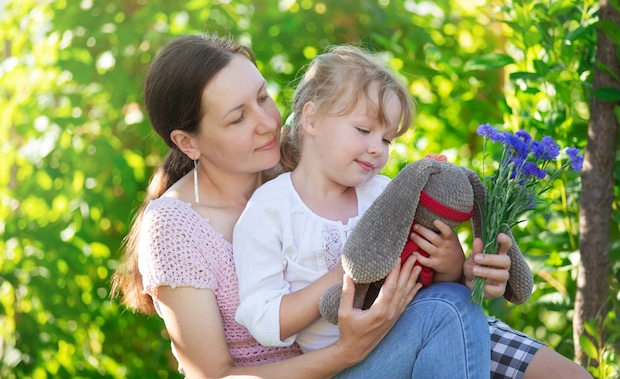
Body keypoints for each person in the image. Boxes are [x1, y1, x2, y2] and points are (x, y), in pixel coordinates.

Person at [110, 34, 591, 379]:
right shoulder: (173, 227)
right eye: (238, 117)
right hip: (324, 364)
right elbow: (214, 376)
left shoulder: (306, 166)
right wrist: (348, 347)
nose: (267, 123)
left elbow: (408, 255)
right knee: (446, 315)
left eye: (263, 97)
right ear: (187, 141)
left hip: (406, 327)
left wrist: (458, 266)